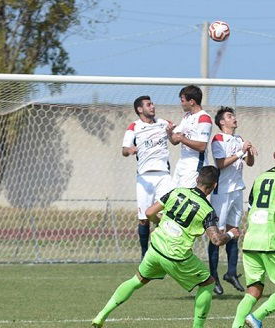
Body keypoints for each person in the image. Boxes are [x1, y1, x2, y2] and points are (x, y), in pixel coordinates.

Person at [92, 166, 239, 328]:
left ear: (197, 179)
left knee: (137, 280)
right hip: (176, 256)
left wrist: (161, 221)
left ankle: (101, 315)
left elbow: (149, 213)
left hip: (155, 248)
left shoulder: (176, 192)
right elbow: (217, 240)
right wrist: (232, 234)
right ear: (214, 186)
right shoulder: (207, 210)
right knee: (208, 282)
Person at [233, 138, 275, 328]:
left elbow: (255, 206)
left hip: (251, 238)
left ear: (274, 156)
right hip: (271, 241)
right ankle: (256, 317)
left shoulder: (260, 177)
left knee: (253, 290)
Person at [209, 106, 257, 295]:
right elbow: (220, 164)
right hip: (222, 192)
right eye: (230, 116)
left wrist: (249, 152)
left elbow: (250, 163)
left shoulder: (239, 139)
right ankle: (213, 277)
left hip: (237, 190)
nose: (234, 118)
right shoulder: (218, 139)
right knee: (217, 235)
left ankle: (231, 272)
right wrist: (240, 152)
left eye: (233, 115)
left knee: (234, 232)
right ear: (222, 122)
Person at [122, 95, 174, 258]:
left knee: (166, 215)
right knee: (144, 218)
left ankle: (162, 253)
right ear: (140, 109)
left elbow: (174, 138)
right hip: (144, 178)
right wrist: (130, 150)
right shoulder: (134, 127)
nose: (152, 106)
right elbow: (124, 150)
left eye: (152, 104)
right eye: (148, 104)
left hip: (164, 176)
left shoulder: (163, 123)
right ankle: (145, 255)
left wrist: (172, 132)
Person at [167, 85, 213, 188]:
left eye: (182, 100)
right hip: (182, 162)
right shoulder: (187, 117)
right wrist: (169, 132)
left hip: (195, 164)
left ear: (191, 101)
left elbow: (202, 146)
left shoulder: (204, 118)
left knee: (187, 198)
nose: (181, 103)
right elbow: (174, 140)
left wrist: (182, 138)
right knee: (173, 195)